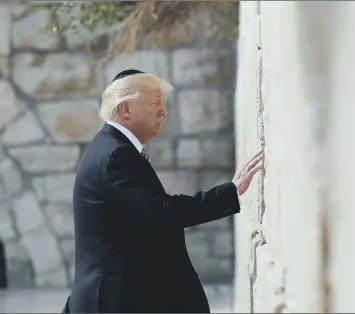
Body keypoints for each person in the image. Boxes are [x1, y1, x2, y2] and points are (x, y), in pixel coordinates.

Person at [62, 69, 264, 313]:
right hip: (112, 302)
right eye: (155, 103)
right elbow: (162, 212)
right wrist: (230, 191)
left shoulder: (109, 147)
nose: (163, 111)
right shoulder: (116, 154)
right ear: (126, 110)